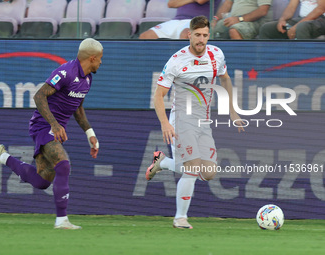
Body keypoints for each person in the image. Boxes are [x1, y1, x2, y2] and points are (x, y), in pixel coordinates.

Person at [0, 38, 103, 230]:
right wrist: (54, 125)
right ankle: (61, 220)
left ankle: (2, 156)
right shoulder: (65, 72)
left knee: (42, 181)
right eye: (99, 59)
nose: (100, 63)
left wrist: (90, 133)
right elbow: (39, 95)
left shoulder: (88, 79)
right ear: (92, 58)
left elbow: (78, 109)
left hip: (53, 127)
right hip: (43, 125)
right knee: (63, 165)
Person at [146, 15, 244, 229]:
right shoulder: (177, 60)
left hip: (203, 121)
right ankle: (180, 218)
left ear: (209, 35)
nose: (201, 40)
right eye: (197, 35)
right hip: (181, 119)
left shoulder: (216, 54)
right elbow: (158, 96)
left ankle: (161, 162)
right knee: (191, 168)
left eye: (205, 35)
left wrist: (232, 112)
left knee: (208, 173)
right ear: (189, 35)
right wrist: (165, 123)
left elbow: (225, 79)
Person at [139, 0, 219, 39]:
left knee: (186, 34)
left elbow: (200, 0)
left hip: (197, 20)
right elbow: (171, 3)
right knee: (145, 36)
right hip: (176, 20)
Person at [259, 0, 325, 39]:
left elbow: (320, 9)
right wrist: (282, 20)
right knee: (267, 28)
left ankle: (303, 60)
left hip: (320, 19)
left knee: (302, 27)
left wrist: (296, 26)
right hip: (302, 19)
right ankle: (267, 60)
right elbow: (291, 7)